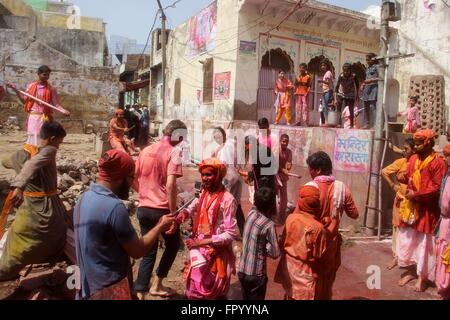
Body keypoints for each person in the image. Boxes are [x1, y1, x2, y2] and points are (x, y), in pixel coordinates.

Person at [74, 150, 175, 300]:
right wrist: (160, 226)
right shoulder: (114, 207)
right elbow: (138, 251)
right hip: (108, 289)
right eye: (131, 177)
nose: (131, 183)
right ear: (121, 177)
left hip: (87, 285)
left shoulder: (83, 198)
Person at [0, 121, 68, 281]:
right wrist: (18, 186)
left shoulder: (20, 154)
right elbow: (33, 163)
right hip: (46, 209)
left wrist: (23, 152)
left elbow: (6, 162)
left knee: (19, 244)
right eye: (59, 141)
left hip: (27, 212)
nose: (60, 145)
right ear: (52, 138)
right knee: (56, 234)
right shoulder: (49, 150)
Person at [133, 120, 187, 299]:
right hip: (161, 210)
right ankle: (156, 284)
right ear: (178, 136)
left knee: (149, 249)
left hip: (143, 208)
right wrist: (173, 214)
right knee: (173, 245)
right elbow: (171, 185)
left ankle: (140, 289)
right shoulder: (174, 152)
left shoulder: (145, 150)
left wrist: (144, 195)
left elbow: (134, 177)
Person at [176, 158, 238, 300]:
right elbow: (196, 204)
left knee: (213, 293)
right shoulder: (204, 192)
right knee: (194, 290)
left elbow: (231, 233)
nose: (205, 178)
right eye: (203, 175)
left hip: (215, 252)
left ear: (218, 176)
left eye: (209, 175)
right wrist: (185, 213)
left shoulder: (228, 200)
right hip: (199, 251)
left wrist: (200, 243)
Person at [304, 151, 359, 298]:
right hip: (331, 244)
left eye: (310, 168)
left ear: (318, 170)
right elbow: (354, 214)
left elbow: (299, 217)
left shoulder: (309, 188)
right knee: (327, 280)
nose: (309, 172)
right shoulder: (342, 188)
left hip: (311, 243)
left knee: (310, 278)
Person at [397, 129, 447, 292]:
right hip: (411, 208)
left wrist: (416, 194)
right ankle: (411, 270)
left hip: (427, 210)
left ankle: (422, 278)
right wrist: (403, 177)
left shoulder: (437, 163)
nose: (416, 147)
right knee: (410, 241)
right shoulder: (412, 159)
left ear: (428, 143)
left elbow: (436, 188)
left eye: (419, 144)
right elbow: (410, 177)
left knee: (425, 245)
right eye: (415, 144)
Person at [275, 185, 340, 300]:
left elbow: (282, 243)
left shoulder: (291, 219)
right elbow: (321, 257)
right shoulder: (318, 229)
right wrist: (332, 226)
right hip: (305, 278)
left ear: (301, 202)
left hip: (289, 271)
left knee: (290, 295)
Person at [6, 65, 70, 151]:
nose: (46, 77)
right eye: (44, 75)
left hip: (45, 118)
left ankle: (40, 158)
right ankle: (31, 158)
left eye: (48, 75)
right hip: (33, 117)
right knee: (33, 138)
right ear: (39, 74)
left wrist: (63, 110)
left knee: (43, 138)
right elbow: (25, 102)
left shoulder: (51, 89)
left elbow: (56, 105)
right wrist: (16, 91)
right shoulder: (31, 86)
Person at [238, 187, 280, 300]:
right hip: (256, 274)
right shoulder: (268, 225)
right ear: (272, 205)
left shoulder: (251, 213)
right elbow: (275, 253)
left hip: (242, 270)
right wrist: (265, 246)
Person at [381, 138, 415, 270]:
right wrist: (392, 185)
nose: (404, 151)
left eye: (406, 149)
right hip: (401, 200)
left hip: (414, 202)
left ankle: (410, 259)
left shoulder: (418, 163)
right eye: (404, 149)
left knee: (411, 231)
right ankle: (397, 257)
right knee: (397, 228)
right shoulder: (401, 162)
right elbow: (384, 172)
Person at [211, 127, 244, 237]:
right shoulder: (231, 144)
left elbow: (222, 166)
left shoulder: (225, 148)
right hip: (238, 178)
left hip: (228, 180)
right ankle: (243, 232)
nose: (216, 139)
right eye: (215, 137)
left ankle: (227, 232)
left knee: (225, 206)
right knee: (237, 205)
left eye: (217, 137)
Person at [435, 145, 450, 299]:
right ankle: (443, 288)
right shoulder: (447, 176)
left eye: (446, 156)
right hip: (445, 222)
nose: (444, 158)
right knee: (443, 254)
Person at [334, 63, 359, 128]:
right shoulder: (341, 76)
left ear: (350, 70)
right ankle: (339, 123)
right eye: (344, 71)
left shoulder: (354, 76)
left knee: (351, 109)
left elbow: (357, 85)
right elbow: (336, 87)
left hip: (351, 93)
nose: (345, 72)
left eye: (347, 71)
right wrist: (335, 98)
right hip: (341, 93)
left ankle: (351, 124)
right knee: (339, 108)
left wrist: (357, 95)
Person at [276, 134, 293, 223]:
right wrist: (282, 169)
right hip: (275, 175)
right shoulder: (276, 150)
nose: (285, 143)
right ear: (280, 141)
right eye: (283, 141)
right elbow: (274, 164)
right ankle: (273, 213)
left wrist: (289, 167)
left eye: (286, 141)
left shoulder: (289, 152)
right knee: (274, 195)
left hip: (284, 176)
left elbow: (289, 163)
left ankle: (282, 214)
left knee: (284, 196)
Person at [361, 53, 380, 129]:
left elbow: (381, 78)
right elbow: (366, 78)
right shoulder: (368, 68)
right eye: (366, 60)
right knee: (366, 107)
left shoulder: (377, 67)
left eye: (368, 60)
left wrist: (370, 80)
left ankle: (375, 125)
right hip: (366, 89)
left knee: (373, 107)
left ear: (373, 59)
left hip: (373, 89)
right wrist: (363, 85)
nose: (367, 61)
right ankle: (367, 123)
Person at [318, 61, 334, 126]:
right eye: (322, 65)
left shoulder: (328, 72)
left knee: (326, 106)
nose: (323, 67)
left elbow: (328, 83)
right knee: (325, 107)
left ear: (327, 66)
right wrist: (322, 84)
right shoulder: (326, 73)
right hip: (326, 91)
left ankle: (327, 122)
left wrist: (321, 81)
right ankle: (327, 121)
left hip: (328, 91)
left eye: (324, 65)